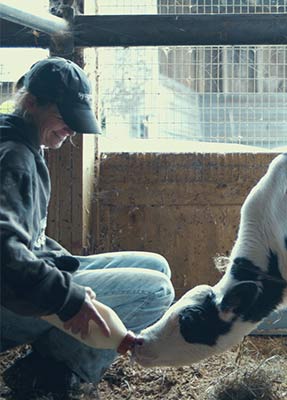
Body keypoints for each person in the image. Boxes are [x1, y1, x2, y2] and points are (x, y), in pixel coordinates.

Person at [0, 57, 175, 399]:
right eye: (64, 117)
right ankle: (51, 376)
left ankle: (49, 363)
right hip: (6, 299)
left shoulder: (20, 142)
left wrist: (60, 262)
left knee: (157, 265)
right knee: (154, 290)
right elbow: (3, 249)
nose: (71, 129)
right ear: (32, 102)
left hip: (19, 280)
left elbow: (24, 235)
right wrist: (68, 295)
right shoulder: (15, 160)